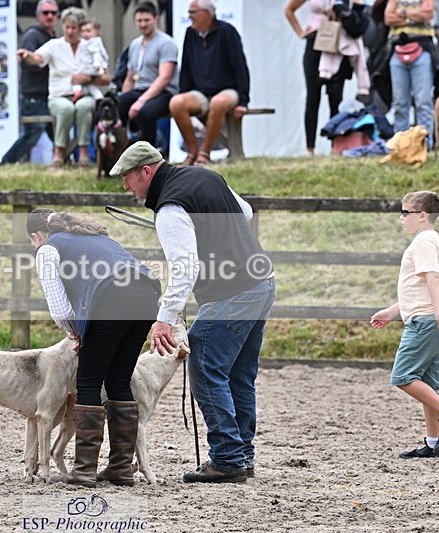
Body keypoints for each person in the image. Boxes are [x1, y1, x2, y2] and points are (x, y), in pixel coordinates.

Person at [109, 141, 276, 484]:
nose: (126, 187)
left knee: (205, 369)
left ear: (146, 171)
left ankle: (228, 459)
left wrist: (163, 319)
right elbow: (244, 212)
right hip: (262, 283)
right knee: (239, 375)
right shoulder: (205, 175)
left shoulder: (170, 208)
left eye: (128, 178)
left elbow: (184, 268)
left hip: (231, 293)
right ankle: (242, 455)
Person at [26, 208, 161, 487]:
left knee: (88, 381)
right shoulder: (97, 236)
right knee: (119, 381)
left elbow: (58, 305)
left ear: (36, 236)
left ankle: (85, 469)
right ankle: (121, 469)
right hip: (147, 296)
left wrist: (74, 333)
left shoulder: (48, 249)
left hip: (111, 298)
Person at [370, 191, 439, 459]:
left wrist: (437, 314)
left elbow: (433, 280)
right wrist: (392, 311)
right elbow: (419, 288)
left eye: (405, 212)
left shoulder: (424, 241)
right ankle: (434, 444)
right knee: (427, 382)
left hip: (428, 319)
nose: (401, 218)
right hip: (435, 314)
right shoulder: (429, 240)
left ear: (422, 215)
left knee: (403, 376)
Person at [17, 7, 109, 170]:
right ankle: (59, 154)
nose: (70, 31)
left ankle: (83, 154)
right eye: (67, 27)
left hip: (84, 94)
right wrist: (27, 55)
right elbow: (37, 58)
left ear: (80, 28)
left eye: (74, 28)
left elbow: (106, 77)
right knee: (66, 109)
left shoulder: (91, 46)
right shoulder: (54, 45)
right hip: (58, 96)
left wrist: (89, 78)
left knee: (83, 107)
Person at [169, 0, 250, 166]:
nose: (189, 16)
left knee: (218, 102)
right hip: (201, 93)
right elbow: (186, 66)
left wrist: (243, 101)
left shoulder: (227, 32)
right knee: (176, 103)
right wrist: (184, 92)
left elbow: (240, 66)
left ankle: (204, 153)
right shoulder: (190, 34)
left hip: (228, 90)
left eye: (192, 12)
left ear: (206, 14)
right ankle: (193, 152)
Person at [0, 0, 58, 165]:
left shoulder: (53, 38)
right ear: (38, 16)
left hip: (49, 95)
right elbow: (25, 63)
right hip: (33, 96)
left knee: (57, 134)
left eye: (53, 13)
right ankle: (5, 164)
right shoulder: (32, 35)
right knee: (31, 135)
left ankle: (63, 162)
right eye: (46, 13)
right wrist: (46, 63)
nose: (50, 16)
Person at [285, 0, 348, 155]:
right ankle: (310, 148)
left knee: (336, 97)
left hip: (336, 42)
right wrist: (300, 32)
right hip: (315, 41)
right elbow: (289, 10)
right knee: (313, 97)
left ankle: (336, 145)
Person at [118, 2, 179, 147]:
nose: (143, 24)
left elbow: (165, 77)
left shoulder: (166, 43)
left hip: (164, 91)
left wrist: (140, 101)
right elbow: (130, 77)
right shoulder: (134, 44)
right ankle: (122, 149)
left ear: (156, 19)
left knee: (145, 112)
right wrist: (124, 97)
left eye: (146, 20)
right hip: (140, 88)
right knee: (118, 104)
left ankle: (150, 152)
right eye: (139, 21)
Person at [384, 0, 436, 148]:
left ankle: (424, 145)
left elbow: (427, 14)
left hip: (422, 50)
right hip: (397, 50)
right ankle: (400, 146)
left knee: (423, 101)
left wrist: (403, 14)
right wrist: (414, 16)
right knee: (400, 104)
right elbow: (388, 18)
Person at [71, 18, 109, 102]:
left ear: (97, 32)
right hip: (85, 70)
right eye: (83, 31)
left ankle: (79, 92)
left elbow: (107, 78)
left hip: (90, 69)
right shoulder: (83, 44)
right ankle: (96, 97)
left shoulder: (94, 43)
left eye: (88, 31)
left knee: (81, 82)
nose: (85, 34)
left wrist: (96, 64)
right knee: (88, 86)